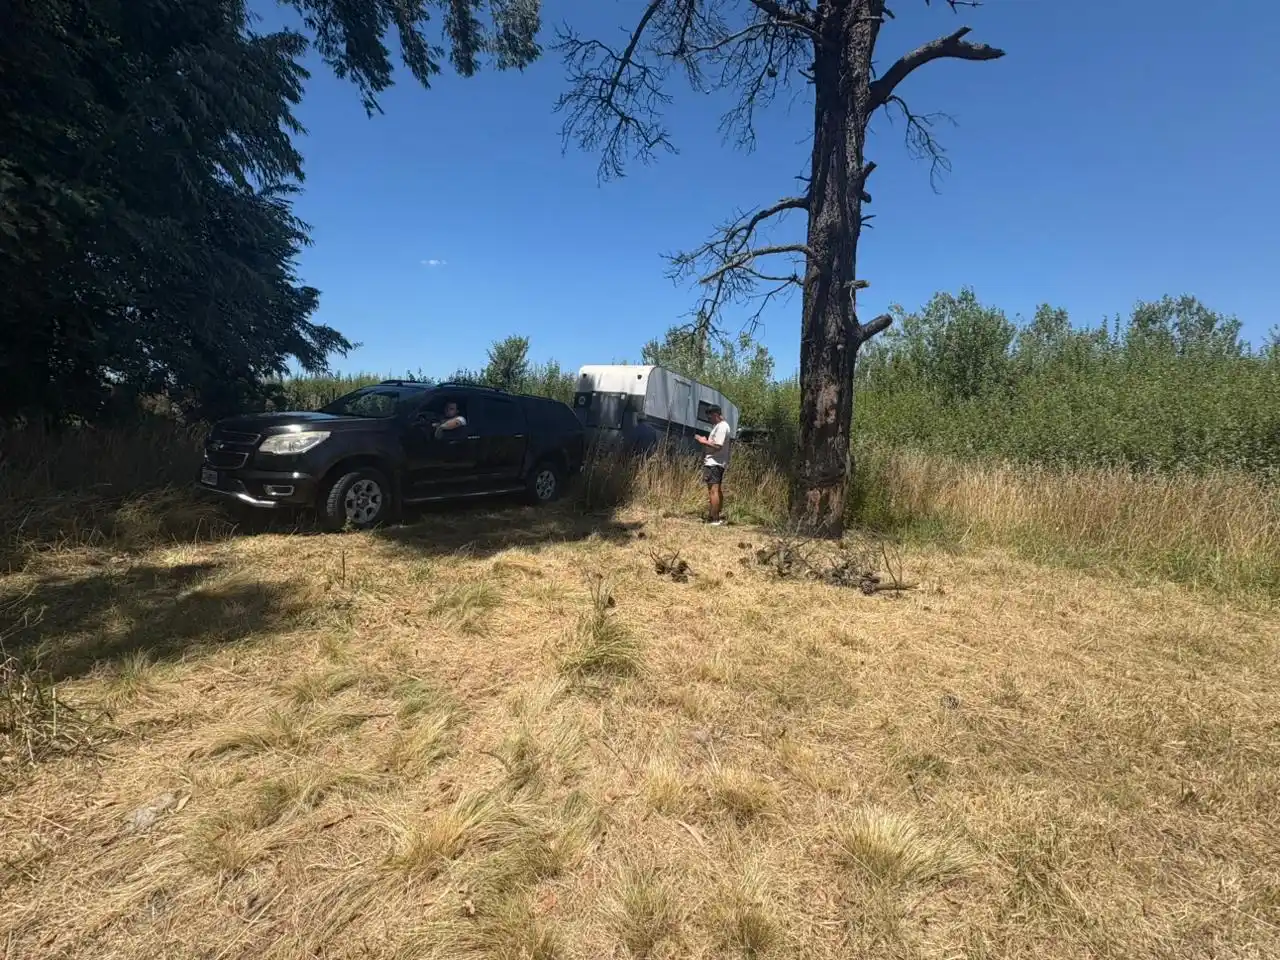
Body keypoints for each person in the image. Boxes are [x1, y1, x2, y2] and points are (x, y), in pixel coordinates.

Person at [695, 405, 731, 526]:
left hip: (714, 463)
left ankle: (714, 519)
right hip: (717, 462)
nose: (709, 419)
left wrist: (703, 441)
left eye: (710, 416)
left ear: (715, 414)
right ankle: (715, 515)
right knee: (716, 490)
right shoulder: (721, 426)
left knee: (713, 491)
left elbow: (718, 446)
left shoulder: (721, 427)